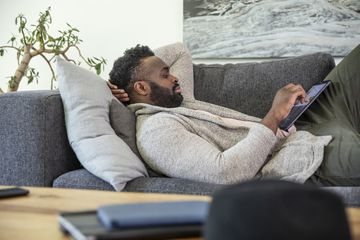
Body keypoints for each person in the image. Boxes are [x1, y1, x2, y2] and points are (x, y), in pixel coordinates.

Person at [108, 42, 360, 186]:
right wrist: (273, 115)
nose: (174, 76)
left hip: (303, 127)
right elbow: (226, 173)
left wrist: (120, 81)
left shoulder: (179, 101)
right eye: (165, 74)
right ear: (142, 88)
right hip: (307, 157)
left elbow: (180, 50)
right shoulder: (157, 132)